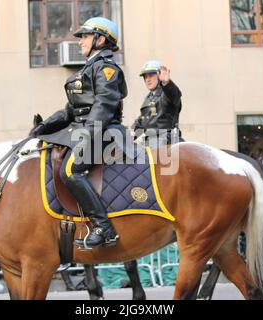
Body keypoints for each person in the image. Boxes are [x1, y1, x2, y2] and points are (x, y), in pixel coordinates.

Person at [31, 17, 127, 249]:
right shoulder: (88, 69)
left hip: (104, 132)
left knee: (72, 170)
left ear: (100, 39)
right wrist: (44, 127)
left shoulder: (107, 69)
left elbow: (104, 105)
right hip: (87, 130)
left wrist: (86, 134)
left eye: (85, 36)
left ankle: (104, 229)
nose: (80, 41)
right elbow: (70, 111)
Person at [131, 60, 183, 146]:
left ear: (159, 76)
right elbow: (142, 121)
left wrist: (167, 83)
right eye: (145, 77)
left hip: (167, 140)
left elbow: (174, 95)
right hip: (151, 140)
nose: (148, 80)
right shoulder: (149, 98)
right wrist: (130, 132)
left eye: (151, 75)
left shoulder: (166, 93)